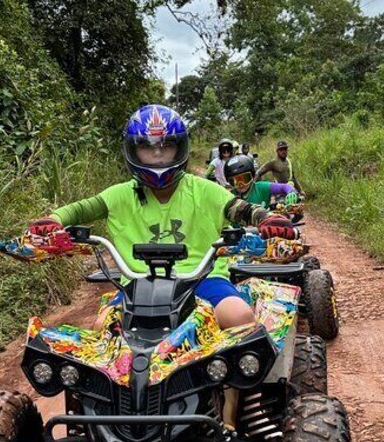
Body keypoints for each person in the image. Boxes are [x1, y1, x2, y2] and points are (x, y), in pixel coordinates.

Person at [27, 105, 297, 330]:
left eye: (166, 146)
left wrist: (266, 218)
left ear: (179, 148)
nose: (157, 154)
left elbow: (240, 208)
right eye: (147, 147)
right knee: (102, 328)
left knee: (239, 317)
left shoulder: (205, 190)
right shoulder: (120, 194)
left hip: (203, 279)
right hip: (136, 285)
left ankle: (230, 395)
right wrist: (54, 220)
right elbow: (80, 209)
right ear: (133, 150)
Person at [224, 154, 298, 209]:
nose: (241, 184)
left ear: (252, 176)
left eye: (245, 179)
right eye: (235, 181)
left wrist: (291, 192)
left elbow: (284, 187)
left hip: (264, 227)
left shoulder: (261, 187)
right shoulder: (229, 196)